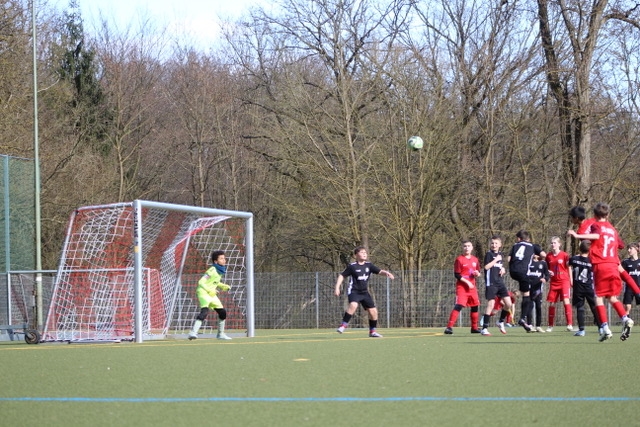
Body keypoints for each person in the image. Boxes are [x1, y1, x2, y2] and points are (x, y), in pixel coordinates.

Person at [568, 202, 634, 341]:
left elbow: (596, 236)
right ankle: (625, 318)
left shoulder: (593, 226)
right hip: (613, 263)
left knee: (598, 297)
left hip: (601, 264)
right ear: (608, 214)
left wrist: (577, 236)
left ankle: (605, 329)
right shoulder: (611, 228)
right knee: (612, 297)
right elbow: (620, 244)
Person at [334, 246, 394, 338]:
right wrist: (337, 288)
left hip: (364, 292)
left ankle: (372, 332)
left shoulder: (369, 265)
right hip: (354, 291)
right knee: (353, 305)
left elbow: (379, 271)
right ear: (356, 255)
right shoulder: (352, 266)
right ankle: (343, 325)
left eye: (365, 252)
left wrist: (386, 273)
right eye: (362, 252)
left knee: (373, 312)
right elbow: (342, 275)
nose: (364, 254)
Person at [188, 250, 232, 340]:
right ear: (215, 261)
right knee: (204, 312)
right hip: (203, 292)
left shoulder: (219, 270)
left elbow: (214, 282)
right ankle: (193, 333)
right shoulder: (212, 270)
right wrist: (209, 290)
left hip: (212, 294)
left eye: (224, 258)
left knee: (222, 312)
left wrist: (223, 286)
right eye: (221, 259)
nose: (224, 260)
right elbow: (201, 282)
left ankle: (220, 334)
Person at [507, 230, 546, 332]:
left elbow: (508, 259)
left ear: (519, 238)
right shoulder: (533, 246)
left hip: (512, 271)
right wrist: (538, 256)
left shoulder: (515, 245)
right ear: (528, 238)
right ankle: (522, 318)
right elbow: (544, 254)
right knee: (527, 295)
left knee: (523, 289)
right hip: (523, 272)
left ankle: (516, 295)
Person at [444, 240, 481, 335]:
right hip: (462, 287)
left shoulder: (475, 260)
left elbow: (478, 272)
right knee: (459, 305)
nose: (467, 248)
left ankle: (474, 328)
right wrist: (467, 282)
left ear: (472, 247)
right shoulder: (459, 259)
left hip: (472, 288)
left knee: (475, 306)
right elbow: (457, 274)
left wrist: (477, 274)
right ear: (462, 248)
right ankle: (449, 327)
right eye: (465, 246)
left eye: (468, 246)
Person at [480, 236, 512, 336]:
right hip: (491, 283)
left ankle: (500, 321)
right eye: (492, 243)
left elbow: (500, 266)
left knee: (509, 304)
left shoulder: (500, 254)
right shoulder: (489, 254)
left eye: (496, 243)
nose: (494, 245)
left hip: (500, 282)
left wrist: (503, 269)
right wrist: (495, 260)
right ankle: (484, 328)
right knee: (491, 305)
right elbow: (486, 267)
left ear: (500, 245)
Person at [568, 240, 600, 336]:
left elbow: (568, 265)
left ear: (579, 248)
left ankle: (581, 330)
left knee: (580, 308)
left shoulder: (574, 259)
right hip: (589, 287)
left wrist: (571, 278)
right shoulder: (592, 260)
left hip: (578, 287)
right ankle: (601, 327)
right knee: (594, 307)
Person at [544, 236, 574, 332]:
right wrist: (548, 272)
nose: (553, 244)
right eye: (552, 243)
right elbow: (546, 268)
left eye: (555, 243)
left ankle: (569, 324)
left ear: (559, 244)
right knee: (552, 303)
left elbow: (569, 267)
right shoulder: (548, 256)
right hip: (554, 282)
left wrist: (571, 279)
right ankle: (550, 326)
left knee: (566, 301)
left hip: (564, 281)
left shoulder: (564, 255)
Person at [527, 253, 549, 333]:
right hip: (529, 288)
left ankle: (538, 326)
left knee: (538, 307)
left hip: (538, 289)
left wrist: (545, 279)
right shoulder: (528, 262)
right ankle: (529, 325)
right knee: (530, 306)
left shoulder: (543, 263)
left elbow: (547, 274)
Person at [621, 242, 640, 315]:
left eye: (630, 248)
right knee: (627, 306)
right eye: (628, 249)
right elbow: (621, 273)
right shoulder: (626, 262)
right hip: (629, 287)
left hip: (639, 286)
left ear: (636, 249)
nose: (629, 250)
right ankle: (627, 320)